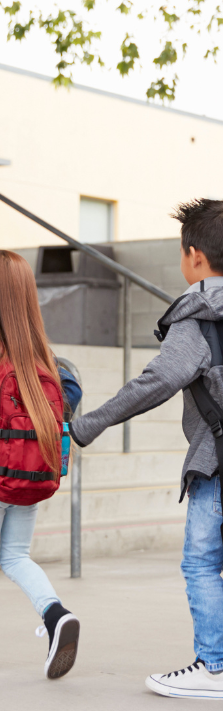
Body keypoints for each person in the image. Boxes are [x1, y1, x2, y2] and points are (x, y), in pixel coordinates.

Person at [70, 199, 223, 702]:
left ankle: (214, 665)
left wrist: (88, 424)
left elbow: (158, 379)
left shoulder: (199, 318)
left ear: (194, 256)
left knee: (201, 562)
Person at [0, 250, 81, 679]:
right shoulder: (43, 359)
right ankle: (55, 615)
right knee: (14, 555)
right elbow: (70, 396)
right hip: (28, 479)